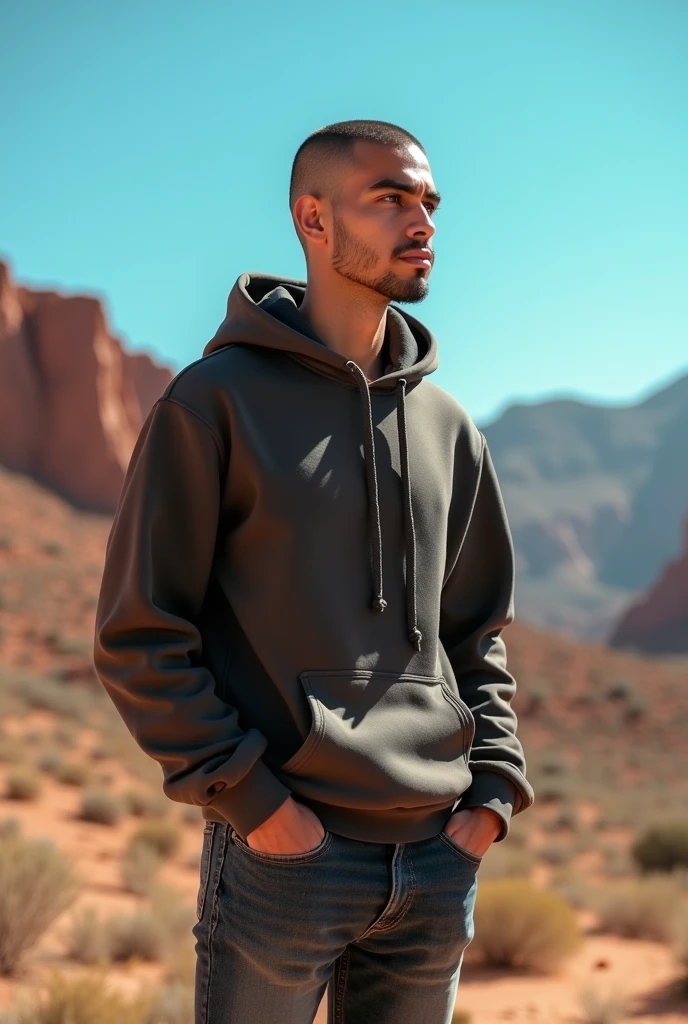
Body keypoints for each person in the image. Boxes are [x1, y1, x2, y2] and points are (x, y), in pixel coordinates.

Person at [93, 118, 535, 1024]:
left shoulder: (450, 427)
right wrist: (255, 804)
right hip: (284, 856)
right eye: (390, 198)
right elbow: (141, 631)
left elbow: (475, 634)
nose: (422, 222)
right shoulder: (212, 404)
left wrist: (490, 794)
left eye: (429, 202)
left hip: (439, 856)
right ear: (313, 218)